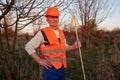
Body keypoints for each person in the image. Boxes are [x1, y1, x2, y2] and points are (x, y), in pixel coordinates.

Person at [25, 6, 81, 80]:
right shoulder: (43, 33)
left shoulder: (61, 32)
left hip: (62, 68)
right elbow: (28, 46)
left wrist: (74, 46)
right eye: (52, 17)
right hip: (50, 69)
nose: (54, 19)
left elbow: (64, 47)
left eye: (56, 17)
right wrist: (39, 60)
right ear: (47, 19)